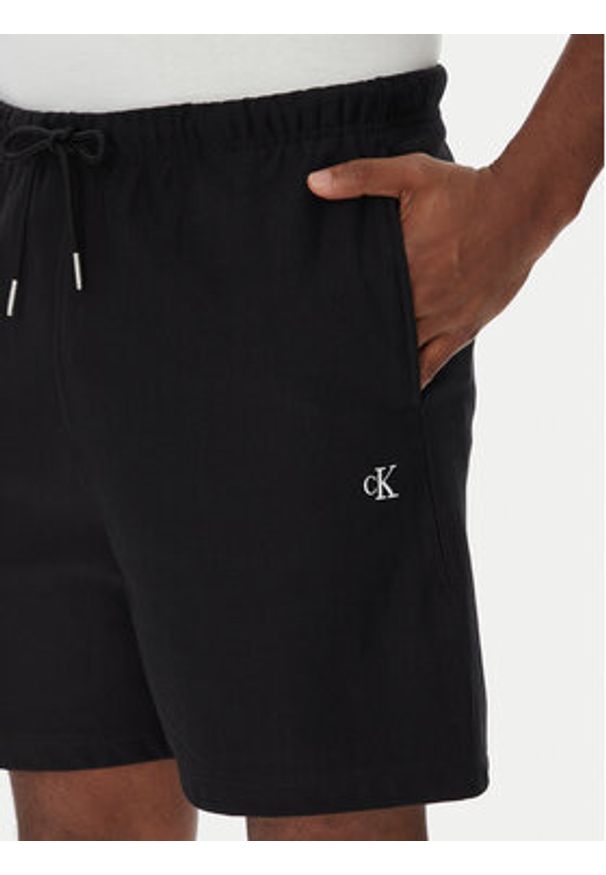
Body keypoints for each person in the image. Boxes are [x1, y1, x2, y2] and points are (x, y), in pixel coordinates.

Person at [0, 35, 602, 842]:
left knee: (327, 811)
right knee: (79, 801)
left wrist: (524, 203)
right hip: (33, 198)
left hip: (299, 205)